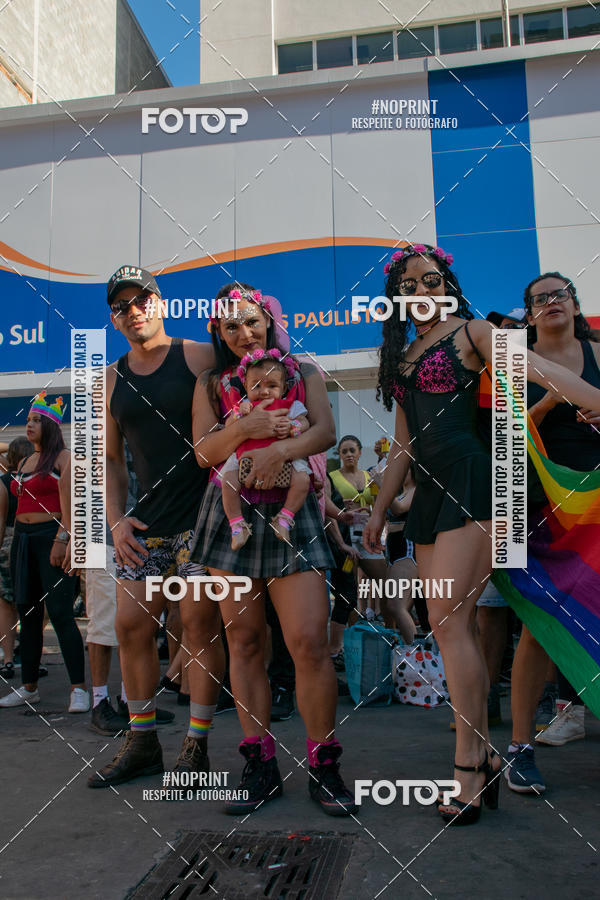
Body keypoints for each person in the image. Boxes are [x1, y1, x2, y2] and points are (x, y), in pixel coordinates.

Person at [363, 243, 600, 825]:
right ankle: (480, 757)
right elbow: (404, 442)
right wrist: (378, 507)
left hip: (478, 482)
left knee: (447, 620)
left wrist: (594, 398)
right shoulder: (401, 357)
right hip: (430, 493)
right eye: (411, 283)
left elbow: (537, 370)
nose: (423, 289)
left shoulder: (472, 333)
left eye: (433, 279)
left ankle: (470, 763)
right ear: (396, 296)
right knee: (450, 626)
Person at [190, 282, 356, 817]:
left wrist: (280, 447)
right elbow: (202, 453)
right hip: (230, 512)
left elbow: (326, 432)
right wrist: (248, 425)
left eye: (251, 321)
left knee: (308, 641)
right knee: (243, 643)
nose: (243, 332)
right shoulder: (212, 383)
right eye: (231, 325)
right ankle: (259, 762)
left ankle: (323, 761)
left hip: (293, 507)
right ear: (219, 331)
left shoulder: (303, 372)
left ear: (269, 321)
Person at [88, 265, 221, 788]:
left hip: (203, 521)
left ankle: (197, 747)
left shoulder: (199, 356)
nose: (133, 311)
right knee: (130, 627)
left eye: (141, 300)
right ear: (114, 319)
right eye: (121, 307)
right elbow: (112, 462)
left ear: (159, 303)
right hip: (147, 527)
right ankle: (142, 742)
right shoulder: (110, 379)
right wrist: (117, 520)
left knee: (197, 628)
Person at [505, 272, 600, 793]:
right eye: (539, 298)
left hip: (596, 509)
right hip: (536, 508)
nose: (550, 303)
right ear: (529, 312)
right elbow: (502, 440)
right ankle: (520, 747)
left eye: (559, 294)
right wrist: (549, 403)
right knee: (538, 628)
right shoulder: (514, 361)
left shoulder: (598, 353)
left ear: (573, 302)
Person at [0, 394, 88, 712]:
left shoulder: (65, 458)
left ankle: (79, 688)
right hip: (22, 540)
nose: (29, 425)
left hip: (52, 538)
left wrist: (63, 540)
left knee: (62, 613)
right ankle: (29, 687)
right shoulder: (24, 462)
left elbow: (76, 506)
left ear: (50, 425)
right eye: (28, 421)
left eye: (36, 421)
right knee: (28, 615)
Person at [220, 346, 311, 548]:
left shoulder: (291, 405)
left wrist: (293, 426)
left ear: (284, 387)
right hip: (245, 453)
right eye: (257, 386)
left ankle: (284, 518)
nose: (264, 391)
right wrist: (238, 417)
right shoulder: (244, 406)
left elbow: (305, 423)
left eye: (272, 385)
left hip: (284, 455)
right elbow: (228, 428)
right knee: (228, 481)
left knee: (303, 480)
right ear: (246, 386)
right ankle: (237, 525)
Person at [329, 436, 387, 621]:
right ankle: (352, 636)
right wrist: (341, 508)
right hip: (345, 535)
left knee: (385, 582)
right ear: (339, 454)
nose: (348, 455)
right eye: (344, 451)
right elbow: (327, 506)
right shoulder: (332, 477)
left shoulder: (369, 476)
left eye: (352, 450)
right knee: (349, 589)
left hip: (367, 535)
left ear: (360, 452)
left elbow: (378, 504)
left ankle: (390, 629)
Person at [0, 437, 33, 678]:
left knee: (5, 602)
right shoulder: (35, 480)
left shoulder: (3, 482)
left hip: (7, 541)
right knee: (33, 601)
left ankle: (8, 658)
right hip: (30, 539)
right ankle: (32, 653)